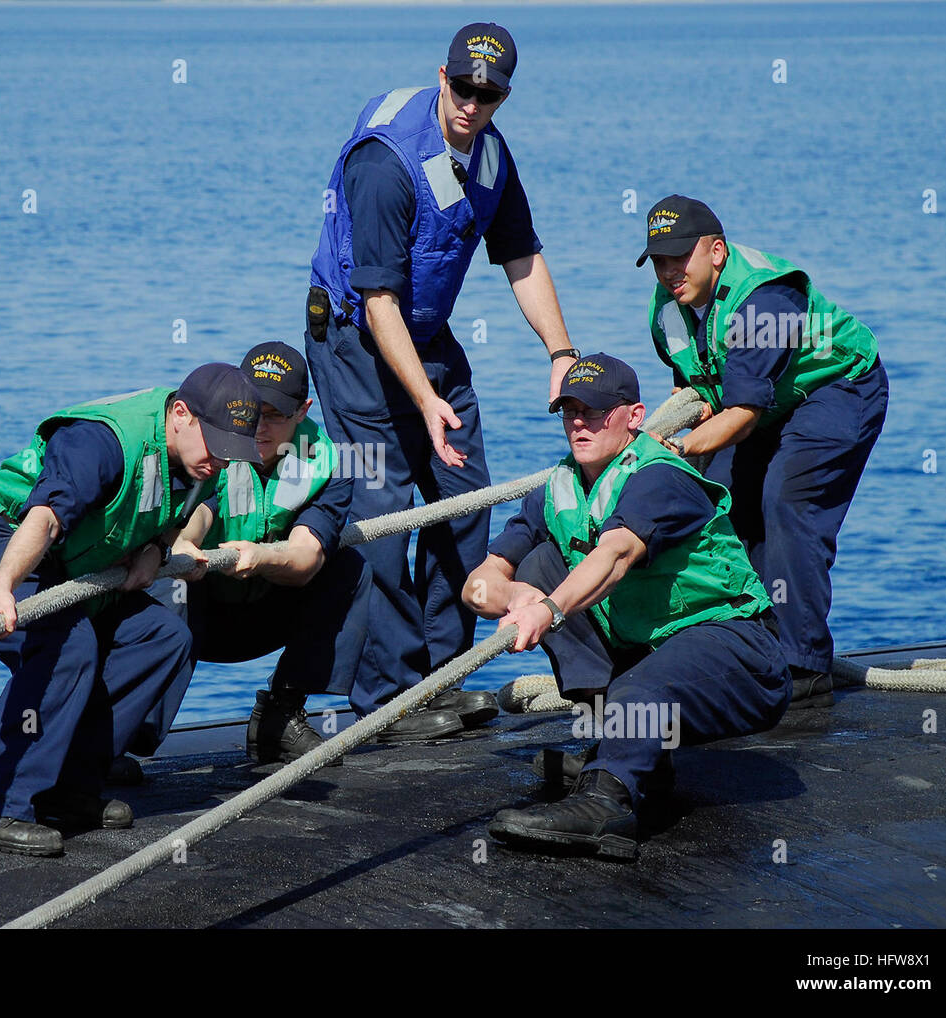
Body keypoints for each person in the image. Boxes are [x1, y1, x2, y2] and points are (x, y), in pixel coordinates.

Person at [305, 22, 577, 738]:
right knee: (385, 510)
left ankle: (439, 675)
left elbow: (521, 256)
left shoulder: (489, 155)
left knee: (466, 499)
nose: (472, 105)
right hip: (355, 342)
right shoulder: (386, 162)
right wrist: (423, 401)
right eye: (462, 88)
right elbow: (377, 300)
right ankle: (387, 700)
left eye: (489, 95)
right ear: (441, 75)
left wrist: (560, 352)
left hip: (425, 335)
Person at [463, 354, 790, 859]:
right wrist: (514, 596)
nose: (578, 422)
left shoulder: (660, 477)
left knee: (640, 681)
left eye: (594, 412)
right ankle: (633, 757)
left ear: (634, 416)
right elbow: (476, 587)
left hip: (739, 651)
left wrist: (547, 610)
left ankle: (605, 802)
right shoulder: (559, 487)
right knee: (543, 564)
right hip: (652, 648)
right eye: (568, 411)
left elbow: (615, 555)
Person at [0, 364, 261, 856]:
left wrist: (155, 550)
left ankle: (67, 787)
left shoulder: (199, 465)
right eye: (213, 442)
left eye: (230, 449)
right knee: (66, 642)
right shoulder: (102, 443)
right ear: (180, 414)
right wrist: (2, 589)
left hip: (70, 565)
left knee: (162, 637)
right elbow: (43, 518)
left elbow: (167, 522)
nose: (219, 459)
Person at [637, 195, 889, 707]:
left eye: (679, 257)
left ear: (717, 252)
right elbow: (701, 386)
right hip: (765, 404)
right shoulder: (667, 309)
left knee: (787, 502)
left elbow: (744, 414)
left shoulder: (764, 301)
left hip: (836, 387)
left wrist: (675, 449)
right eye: (659, 260)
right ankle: (756, 643)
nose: (668, 271)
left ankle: (805, 663)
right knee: (725, 502)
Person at [149, 342, 375, 761]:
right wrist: (185, 543)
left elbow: (307, 558)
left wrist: (259, 556)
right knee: (170, 581)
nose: (258, 426)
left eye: (275, 415)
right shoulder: (210, 441)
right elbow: (202, 506)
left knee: (350, 567)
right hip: (197, 608)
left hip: (265, 607)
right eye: (253, 410)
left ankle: (281, 714)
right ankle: (126, 736)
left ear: (303, 411)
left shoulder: (330, 464)